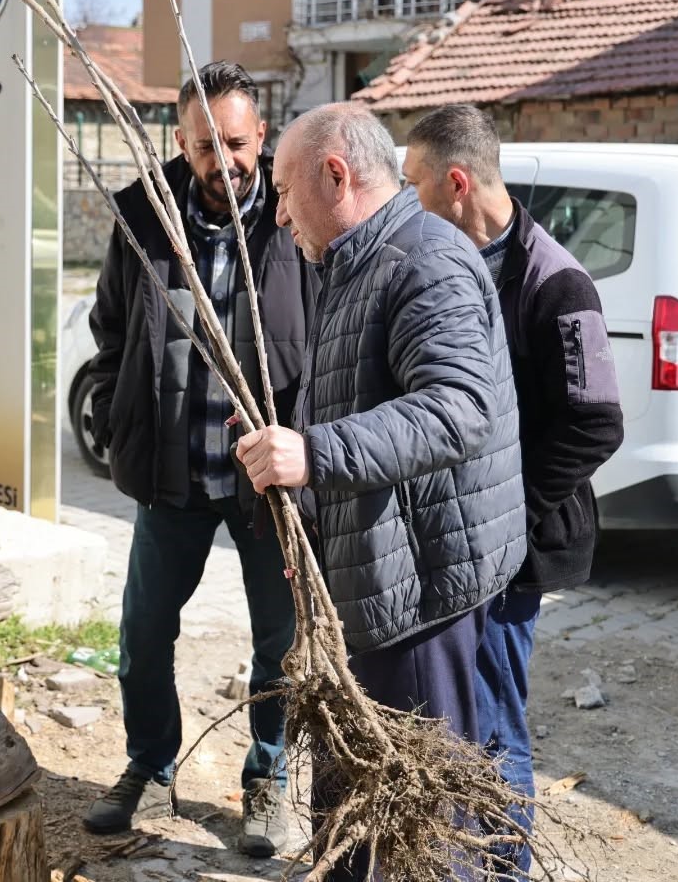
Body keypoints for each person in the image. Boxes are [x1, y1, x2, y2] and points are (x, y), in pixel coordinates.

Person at [236, 102, 527, 879]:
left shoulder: (422, 258)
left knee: (421, 821)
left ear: (336, 175)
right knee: (361, 809)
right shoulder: (354, 260)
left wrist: (314, 453)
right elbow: (360, 397)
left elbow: (459, 409)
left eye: (285, 190)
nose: (279, 213)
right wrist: (294, 464)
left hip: (420, 596)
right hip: (373, 585)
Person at [85, 60, 314, 855]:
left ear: (263, 137)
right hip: (172, 470)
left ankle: (268, 775)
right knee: (144, 633)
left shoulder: (292, 220)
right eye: (208, 144)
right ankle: (150, 764)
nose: (228, 161)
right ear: (180, 141)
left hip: (266, 485)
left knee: (277, 641)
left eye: (240, 142)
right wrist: (122, 419)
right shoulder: (143, 219)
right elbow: (111, 330)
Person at [403, 104, 625, 877]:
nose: (408, 203)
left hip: (520, 549)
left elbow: (597, 425)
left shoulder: (558, 283)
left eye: (416, 186)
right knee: (463, 718)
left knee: (496, 728)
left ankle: (505, 868)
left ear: (457, 182)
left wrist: (511, 511)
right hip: (461, 543)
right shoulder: (457, 259)